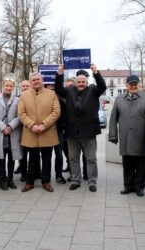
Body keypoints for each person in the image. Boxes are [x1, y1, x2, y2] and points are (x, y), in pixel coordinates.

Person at [55, 64, 107, 192]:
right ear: (75, 82)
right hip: (72, 133)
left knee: (91, 159)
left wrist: (96, 72)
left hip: (89, 133)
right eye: (79, 81)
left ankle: (92, 181)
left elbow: (103, 86)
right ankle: (76, 180)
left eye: (83, 82)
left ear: (87, 82)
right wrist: (59, 74)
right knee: (73, 158)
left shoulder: (93, 90)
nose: (81, 84)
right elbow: (58, 88)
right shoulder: (69, 91)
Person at [108, 75, 145, 197]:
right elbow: (113, 118)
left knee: (141, 165)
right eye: (131, 84)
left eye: (135, 84)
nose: (133, 86)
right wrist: (113, 135)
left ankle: (139, 187)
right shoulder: (119, 99)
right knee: (127, 163)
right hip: (126, 138)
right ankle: (128, 185)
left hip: (142, 138)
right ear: (126, 85)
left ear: (139, 84)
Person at [18, 72, 60, 192]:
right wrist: (31, 125)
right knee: (32, 159)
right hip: (31, 132)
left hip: (47, 131)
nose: (36, 81)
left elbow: (56, 112)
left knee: (47, 159)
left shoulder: (51, 94)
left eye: (38, 79)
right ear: (30, 82)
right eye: (33, 80)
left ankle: (46, 182)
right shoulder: (24, 95)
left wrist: (44, 125)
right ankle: (29, 182)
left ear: (42, 81)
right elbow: (21, 113)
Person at [0, 78, 22, 190]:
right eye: (6, 86)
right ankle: (2, 180)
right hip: (1, 133)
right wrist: (3, 127)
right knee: (1, 158)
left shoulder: (17, 100)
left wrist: (11, 126)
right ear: (3, 86)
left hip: (12, 133)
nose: (8, 88)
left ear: (13, 87)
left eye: (10, 86)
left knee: (12, 157)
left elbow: (20, 115)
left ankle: (10, 179)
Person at [45, 83, 67, 184]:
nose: (51, 85)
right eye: (49, 84)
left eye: (53, 84)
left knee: (59, 154)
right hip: (46, 129)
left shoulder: (60, 96)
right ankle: (46, 176)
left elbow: (64, 111)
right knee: (46, 155)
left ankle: (59, 175)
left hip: (58, 129)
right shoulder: (43, 96)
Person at [14, 80, 30, 181]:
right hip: (20, 129)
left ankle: (36, 171)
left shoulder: (34, 97)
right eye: (23, 86)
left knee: (34, 153)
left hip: (32, 128)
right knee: (22, 153)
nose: (24, 88)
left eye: (27, 86)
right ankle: (23, 172)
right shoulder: (17, 99)